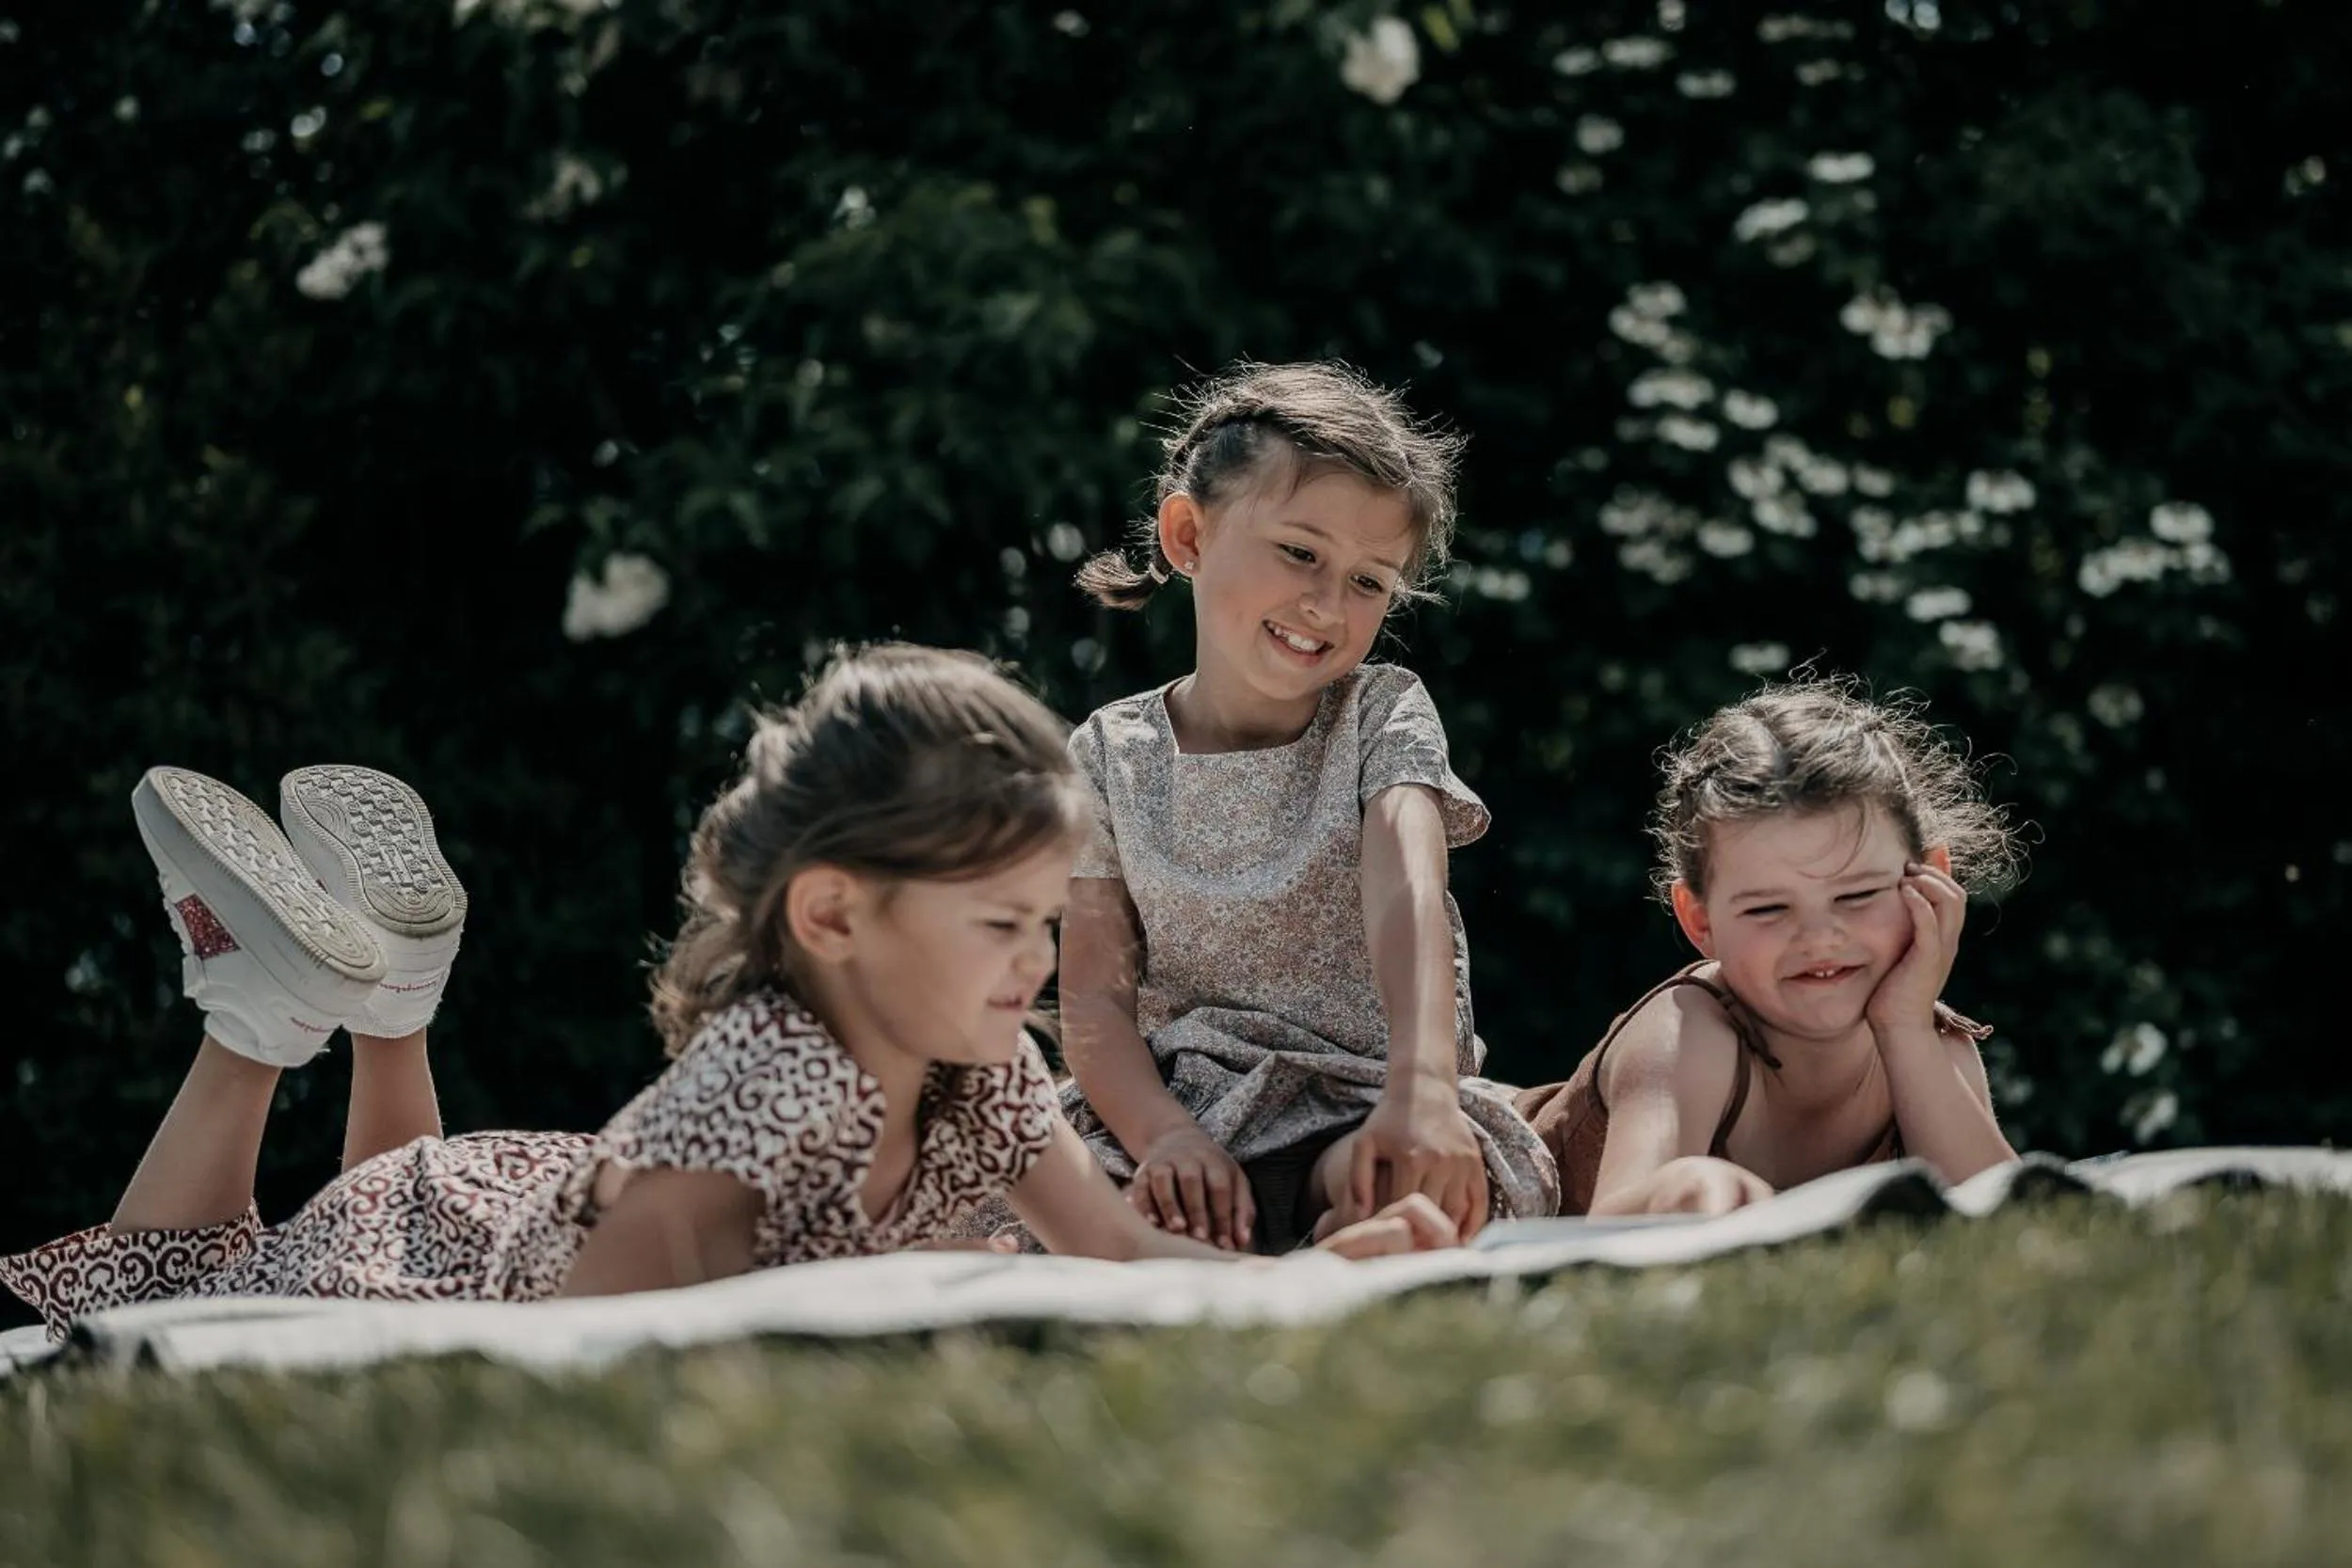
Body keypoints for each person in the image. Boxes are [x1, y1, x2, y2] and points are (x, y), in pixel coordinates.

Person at [1, 644, 1454, 1340]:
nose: (1041, 962)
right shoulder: (770, 1078)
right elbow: (579, 1340)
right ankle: (326, 1013)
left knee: (283, 1222)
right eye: (1003, 921)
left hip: (502, 1187)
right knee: (197, 1275)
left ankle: (373, 1008)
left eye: (1044, 919)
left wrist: (1316, 1279)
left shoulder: (987, 1063)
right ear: (833, 915)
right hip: (454, 1239)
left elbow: (1125, 1262)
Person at [1051, 361, 1558, 1256]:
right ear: (1187, 535)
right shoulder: (1105, 754)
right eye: (1300, 552)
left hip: (1368, 1093)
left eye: (1371, 582)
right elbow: (1093, 998)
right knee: (1078, 1207)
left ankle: (1333, 1245)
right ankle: (1263, 1266)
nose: (1328, 604)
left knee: (1401, 1183)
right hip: (1184, 1115)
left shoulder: (1380, 710)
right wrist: (1163, 1136)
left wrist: (1424, 1088)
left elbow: (1408, 888)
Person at [1514, 673, 2026, 1216]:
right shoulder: (1688, 1033)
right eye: (1767, 909)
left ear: (1931, 879)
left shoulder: (1929, 1042)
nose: (1819, 937)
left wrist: (1904, 1029)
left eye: (1857, 895)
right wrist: (1685, 1185)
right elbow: (1611, 1229)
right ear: (1699, 919)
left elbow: (2011, 1223)